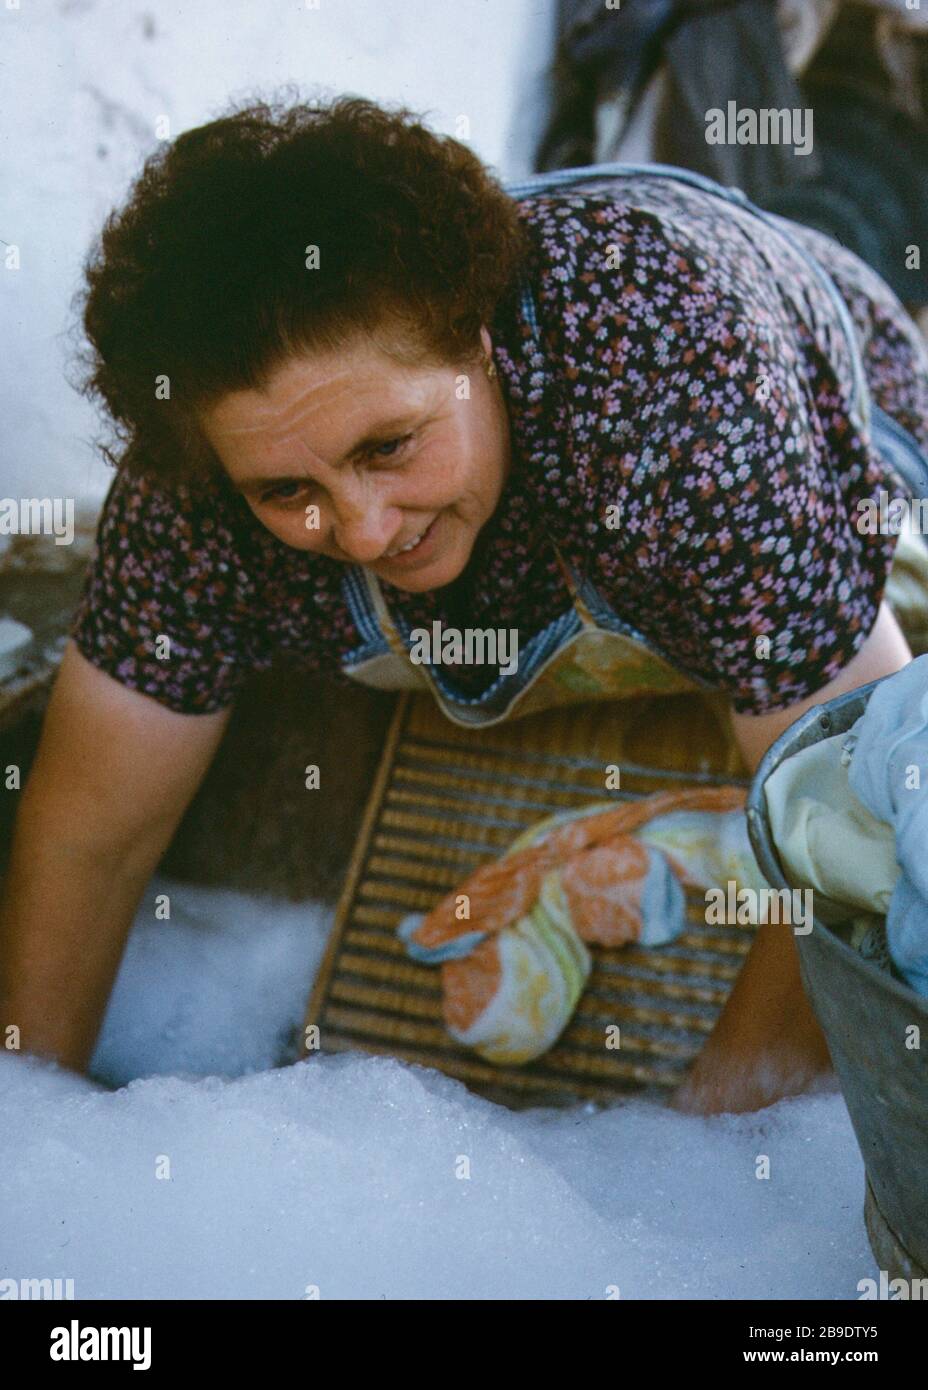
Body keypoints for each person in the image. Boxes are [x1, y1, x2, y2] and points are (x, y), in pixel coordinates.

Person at [1, 92, 923, 1114]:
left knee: (850, 204)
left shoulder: (676, 386)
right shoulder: (199, 468)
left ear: (479, 340)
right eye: (288, 493)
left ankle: (871, 95)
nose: (360, 529)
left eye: (388, 446)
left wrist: (717, 1146)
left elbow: (847, 809)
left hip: (808, 334)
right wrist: (34, 1132)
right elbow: (91, 833)